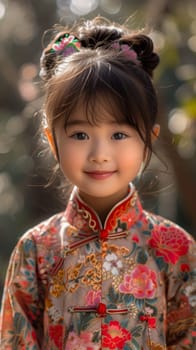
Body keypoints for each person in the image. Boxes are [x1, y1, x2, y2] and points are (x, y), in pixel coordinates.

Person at [0, 16, 195, 350]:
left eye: (119, 134)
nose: (100, 153)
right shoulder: (36, 250)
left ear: (150, 138)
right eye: (80, 134)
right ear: (52, 139)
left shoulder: (176, 250)